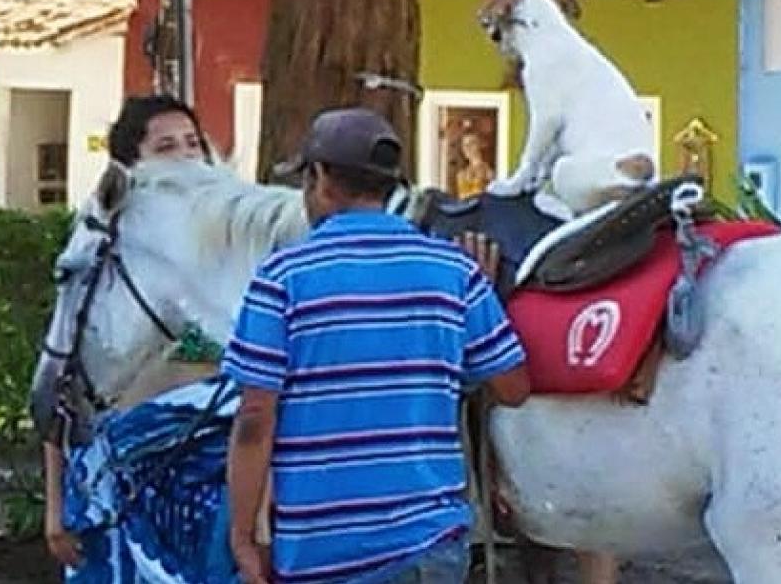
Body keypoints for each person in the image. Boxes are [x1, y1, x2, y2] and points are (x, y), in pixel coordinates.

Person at [224, 106, 531, 584]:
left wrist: (242, 536)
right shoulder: (457, 272)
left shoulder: (281, 277)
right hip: (431, 548)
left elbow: (255, 419)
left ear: (321, 178)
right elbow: (512, 387)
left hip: (323, 554)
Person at [43, 93, 217, 572]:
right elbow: (61, 375)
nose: (185, 156)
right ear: (130, 167)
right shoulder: (99, 249)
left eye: (192, 143)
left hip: (197, 510)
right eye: (165, 147)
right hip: (104, 496)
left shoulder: (233, 255)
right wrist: (55, 508)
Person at [454, 132, 494, 199]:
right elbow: (462, 197)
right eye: (464, 145)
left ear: (479, 145)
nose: (467, 148)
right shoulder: (462, 174)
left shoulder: (488, 172)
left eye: (471, 143)